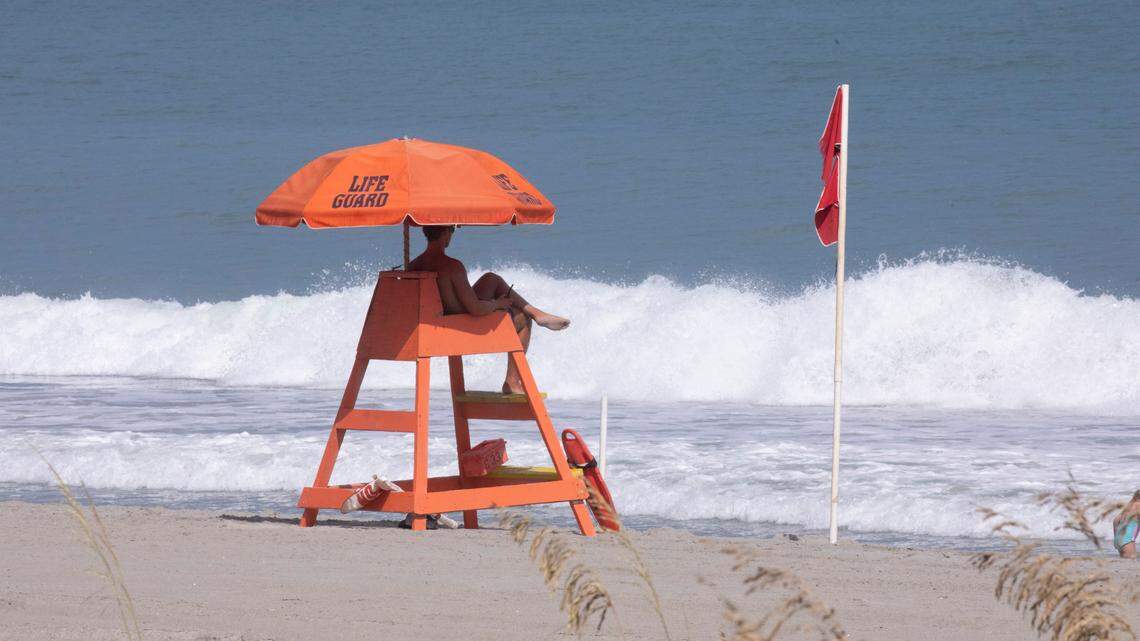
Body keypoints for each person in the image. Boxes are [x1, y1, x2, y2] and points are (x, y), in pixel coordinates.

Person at [407, 224, 570, 394]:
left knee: (491, 279)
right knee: (522, 319)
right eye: (452, 230)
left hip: (433, 325)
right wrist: (497, 305)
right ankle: (512, 382)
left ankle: (538, 314)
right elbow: (476, 309)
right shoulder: (452, 267)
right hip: (458, 328)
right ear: (446, 233)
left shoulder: (412, 266)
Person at [1113, 491, 1140, 559]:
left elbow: (1115, 521)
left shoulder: (1128, 507)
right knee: (1132, 567)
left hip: (1118, 540)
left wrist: (1117, 538)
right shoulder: (1138, 504)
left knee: (1124, 566)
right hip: (1127, 540)